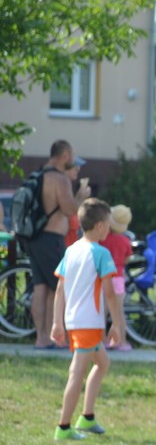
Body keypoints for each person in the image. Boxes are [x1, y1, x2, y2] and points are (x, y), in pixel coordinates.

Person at [51, 198, 124, 440]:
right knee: (76, 373)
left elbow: (60, 290)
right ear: (101, 226)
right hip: (88, 323)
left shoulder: (71, 250)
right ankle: (63, 427)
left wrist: (57, 322)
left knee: (102, 364)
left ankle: (87, 417)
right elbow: (110, 294)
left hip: (75, 322)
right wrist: (117, 325)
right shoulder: (101, 253)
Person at [24, 140, 91, 349]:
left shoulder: (39, 174)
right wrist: (81, 195)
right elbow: (71, 210)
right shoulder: (60, 179)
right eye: (71, 156)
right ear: (64, 156)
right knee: (59, 287)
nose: (72, 160)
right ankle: (54, 337)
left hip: (33, 238)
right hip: (51, 239)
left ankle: (41, 337)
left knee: (40, 287)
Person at [100, 204, 134, 351]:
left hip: (104, 277)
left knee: (102, 311)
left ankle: (100, 341)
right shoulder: (125, 241)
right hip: (118, 278)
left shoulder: (102, 238)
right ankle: (122, 342)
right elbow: (127, 259)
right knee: (118, 312)